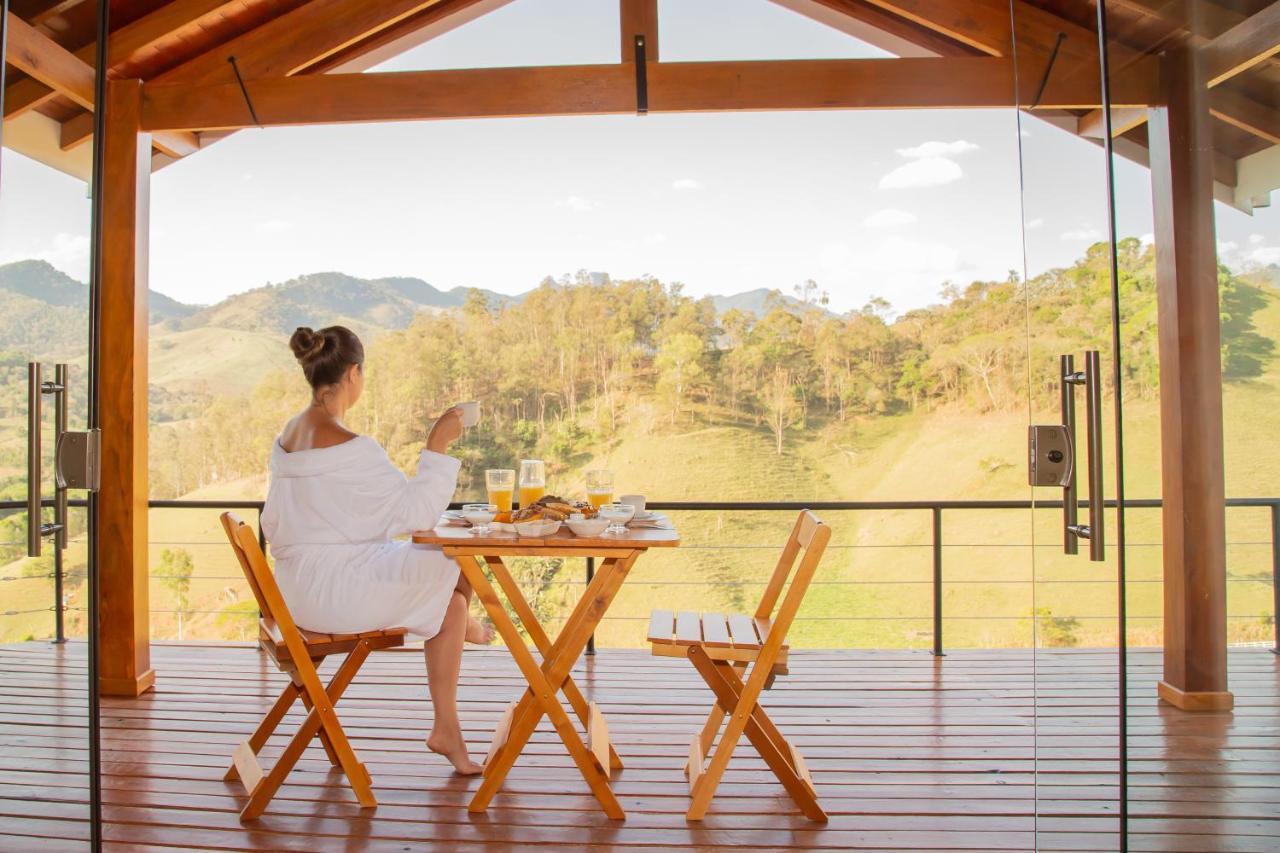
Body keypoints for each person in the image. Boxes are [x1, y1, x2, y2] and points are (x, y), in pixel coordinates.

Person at [261, 324, 492, 775]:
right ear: (353, 374)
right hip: (335, 596)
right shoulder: (354, 448)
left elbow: (331, 514)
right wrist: (438, 443)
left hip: (293, 591)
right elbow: (416, 514)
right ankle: (463, 628)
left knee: (449, 585)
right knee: (453, 561)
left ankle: (449, 718)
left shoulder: (289, 434)